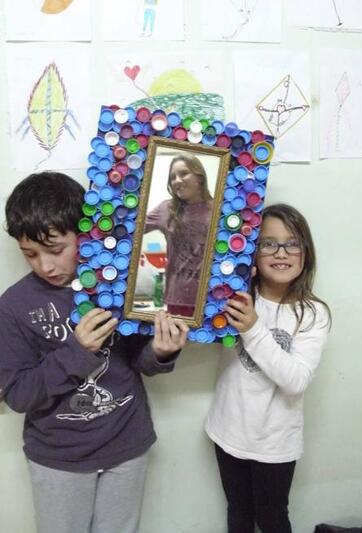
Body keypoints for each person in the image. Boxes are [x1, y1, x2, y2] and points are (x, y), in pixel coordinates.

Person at [0, 171, 188, 533]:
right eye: (30, 254)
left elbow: (140, 361)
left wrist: (161, 351)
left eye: (56, 250)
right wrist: (77, 350)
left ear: (84, 234)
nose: (45, 266)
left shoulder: (119, 281)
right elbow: (19, 395)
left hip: (127, 443)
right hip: (58, 457)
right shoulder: (13, 306)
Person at [205, 203, 331, 533]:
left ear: (306, 252)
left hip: (275, 442)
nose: (281, 252)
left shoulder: (313, 313)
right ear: (253, 252)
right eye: (269, 243)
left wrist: (253, 329)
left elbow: (296, 380)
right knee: (238, 512)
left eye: (292, 243)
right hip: (228, 430)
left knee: (272, 518)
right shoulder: (235, 299)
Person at [145, 152, 213, 317]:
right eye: (172, 177)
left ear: (199, 177)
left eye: (183, 173)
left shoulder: (220, 208)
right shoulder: (166, 209)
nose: (176, 181)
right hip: (178, 298)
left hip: (213, 297)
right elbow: (130, 229)